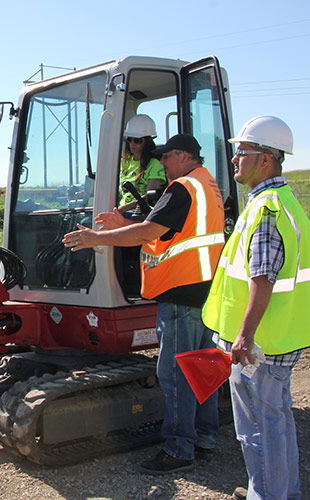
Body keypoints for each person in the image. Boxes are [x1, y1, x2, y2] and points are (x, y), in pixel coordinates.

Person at [62, 133, 225, 474]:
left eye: (166, 157)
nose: (161, 162)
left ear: (183, 156)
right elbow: (170, 231)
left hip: (182, 295)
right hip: (207, 294)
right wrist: (126, 224)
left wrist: (97, 238)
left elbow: (148, 234)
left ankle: (179, 451)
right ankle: (205, 438)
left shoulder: (182, 187)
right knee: (202, 370)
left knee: (176, 375)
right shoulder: (207, 185)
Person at [201, 116, 310, 500]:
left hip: (260, 346)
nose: (234, 160)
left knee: (259, 428)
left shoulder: (267, 211)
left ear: (265, 159)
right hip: (276, 339)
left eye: (241, 153)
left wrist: (244, 338)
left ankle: (269, 495)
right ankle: (279, 492)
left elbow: (263, 278)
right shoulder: (278, 202)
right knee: (275, 423)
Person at [118, 114, 166, 214]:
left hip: (140, 213)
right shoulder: (124, 162)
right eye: (129, 139)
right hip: (122, 211)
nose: (132, 144)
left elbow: (150, 196)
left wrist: (122, 209)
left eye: (137, 140)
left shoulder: (155, 164)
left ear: (147, 141)